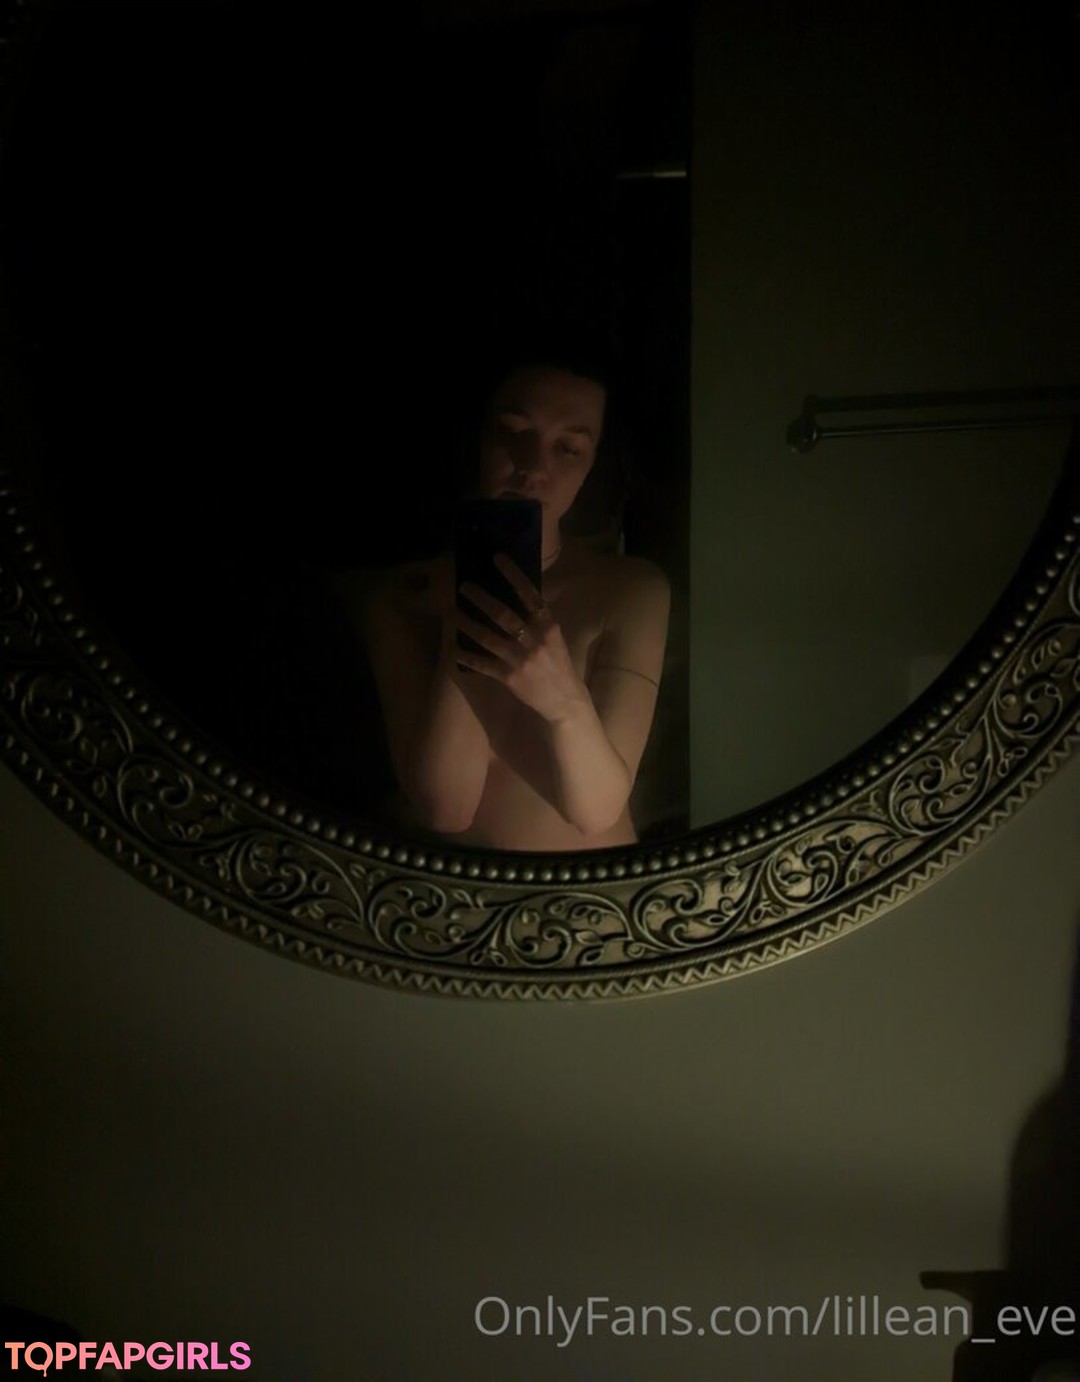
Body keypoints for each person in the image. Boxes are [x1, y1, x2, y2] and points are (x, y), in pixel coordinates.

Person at [362, 340, 670, 851]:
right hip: (455, 891)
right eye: (513, 431)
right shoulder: (404, 601)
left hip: (596, 890)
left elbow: (596, 811)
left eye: (568, 448)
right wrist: (463, 619)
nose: (533, 466)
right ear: (479, 438)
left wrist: (564, 700)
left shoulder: (629, 591)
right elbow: (445, 808)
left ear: (593, 465)